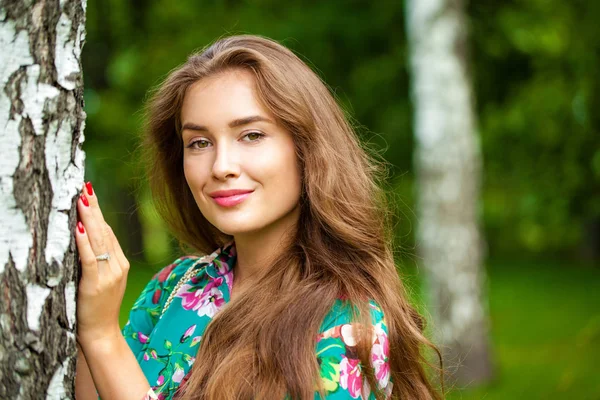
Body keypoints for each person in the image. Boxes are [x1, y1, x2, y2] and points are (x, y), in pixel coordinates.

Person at [74, 35, 443, 400]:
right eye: (199, 143)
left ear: (306, 148)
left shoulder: (348, 327)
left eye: (251, 135)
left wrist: (103, 337)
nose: (221, 167)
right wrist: (86, 321)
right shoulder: (173, 288)